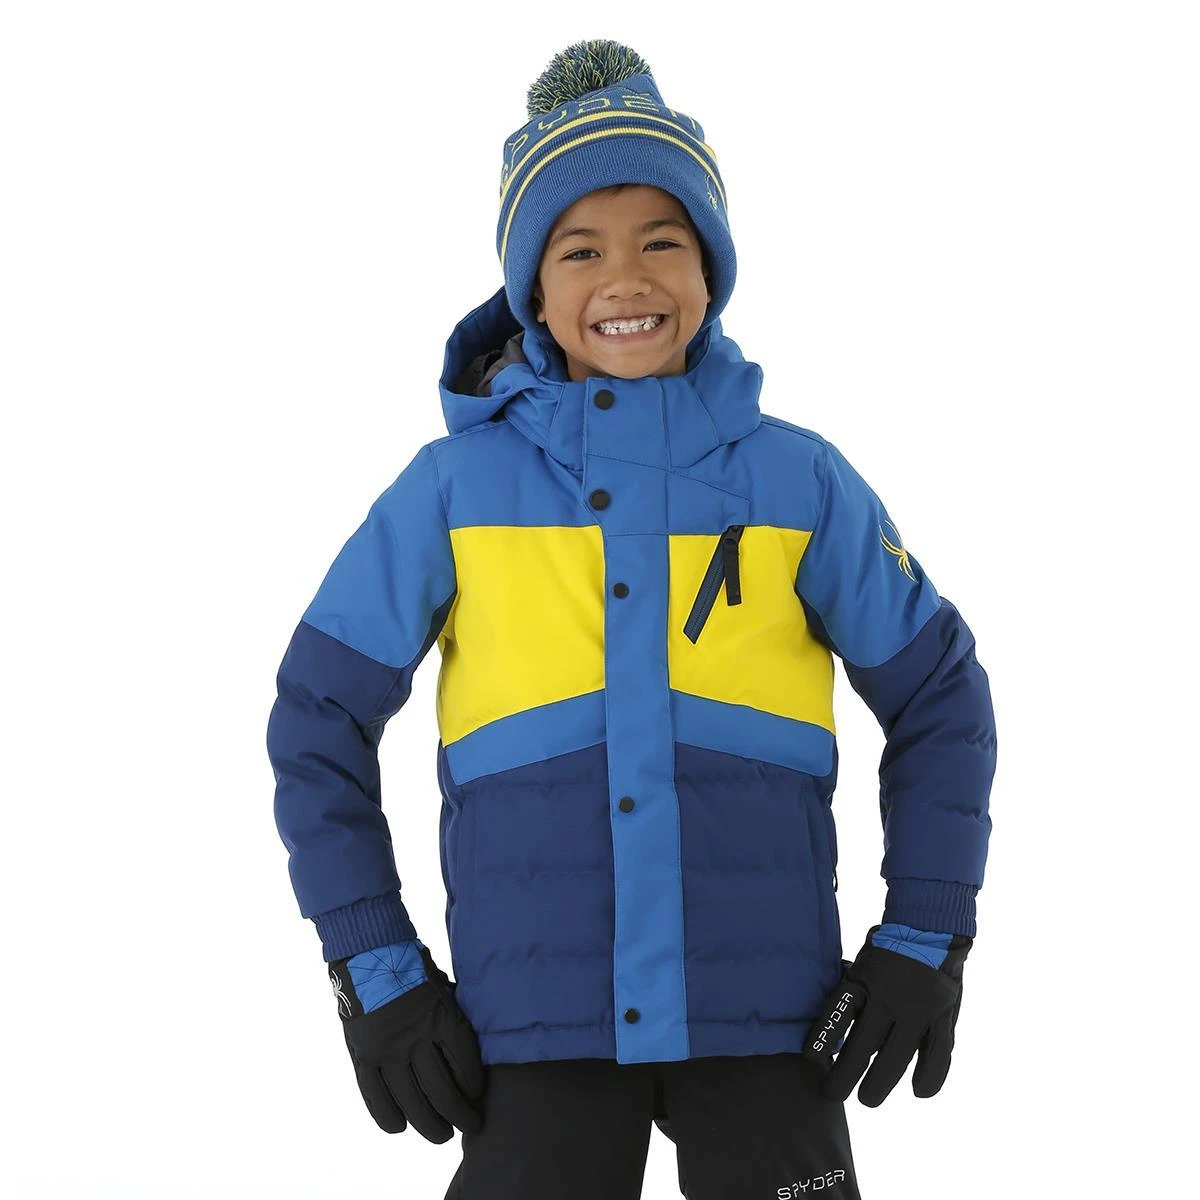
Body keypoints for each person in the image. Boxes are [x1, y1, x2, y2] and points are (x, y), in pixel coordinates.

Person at [266, 38, 996, 1200]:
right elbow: (317, 714)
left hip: (767, 1018)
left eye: (663, 240)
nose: (626, 278)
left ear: (710, 268)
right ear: (533, 291)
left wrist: (925, 932)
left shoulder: (799, 482)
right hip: (533, 1025)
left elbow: (940, 695)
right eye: (580, 249)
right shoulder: (450, 494)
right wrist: (374, 963)